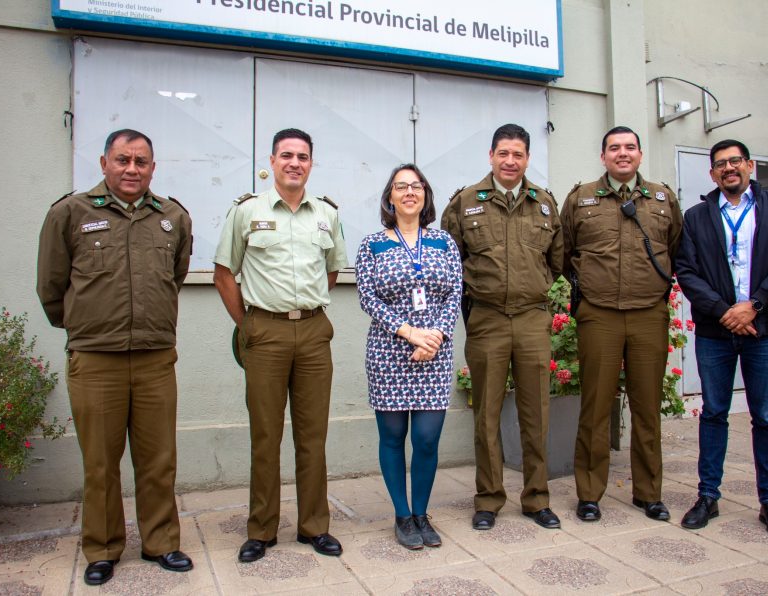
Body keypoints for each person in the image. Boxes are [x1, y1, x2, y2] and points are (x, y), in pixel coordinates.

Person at [37, 129, 193, 586]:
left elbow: (175, 276)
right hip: (95, 359)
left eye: (141, 162)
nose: (131, 169)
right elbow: (51, 286)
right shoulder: (70, 213)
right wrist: (87, 325)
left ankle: (161, 542)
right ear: (104, 162)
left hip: (154, 357)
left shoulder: (172, 218)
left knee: (158, 457)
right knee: (101, 462)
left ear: (152, 168)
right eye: (122, 160)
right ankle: (102, 548)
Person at [213, 128, 348, 561]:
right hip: (264, 332)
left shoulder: (326, 214)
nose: (294, 162)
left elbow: (331, 272)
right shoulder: (246, 212)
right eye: (286, 155)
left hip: (312, 332)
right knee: (265, 435)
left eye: (303, 156)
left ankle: (314, 526)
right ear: (271, 161)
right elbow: (223, 273)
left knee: (313, 436)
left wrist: (303, 309)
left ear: (311, 163)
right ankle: (261, 529)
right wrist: (249, 325)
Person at [676, 139, 768, 539]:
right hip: (717, 332)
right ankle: (708, 496)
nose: (729, 168)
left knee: (765, 416)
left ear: (749, 165)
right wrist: (724, 312)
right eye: (721, 164)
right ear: (712, 174)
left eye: (736, 161)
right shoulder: (696, 217)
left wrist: (755, 304)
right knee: (714, 412)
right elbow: (687, 270)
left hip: (764, 330)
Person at [441, 123, 563, 531]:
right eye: (503, 153)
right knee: (487, 415)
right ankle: (489, 498)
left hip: (531, 318)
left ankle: (537, 498)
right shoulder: (464, 203)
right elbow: (448, 263)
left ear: (527, 159)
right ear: (491, 156)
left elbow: (558, 261)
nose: (510, 161)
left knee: (537, 415)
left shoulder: (544, 203)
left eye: (518, 154)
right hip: (488, 319)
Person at [560, 126, 683, 523]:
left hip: (649, 313)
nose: (623, 154)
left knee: (647, 408)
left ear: (640, 155)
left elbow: (677, 251)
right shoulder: (580, 199)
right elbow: (563, 253)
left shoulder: (663, 199)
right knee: (595, 408)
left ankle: (648, 494)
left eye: (630, 147)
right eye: (615, 148)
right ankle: (590, 494)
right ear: (603, 156)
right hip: (599, 314)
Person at [355, 164, 462, 549]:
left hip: (434, 352)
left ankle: (421, 512)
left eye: (416, 186)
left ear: (425, 196)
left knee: (427, 438)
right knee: (393, 436)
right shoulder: (372, 244)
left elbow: (455, 293)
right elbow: (367, 296)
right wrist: (409, 332)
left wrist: (434, 336)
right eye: (401, 186)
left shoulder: (444, 243)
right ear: (390, 197)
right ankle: (402, 516)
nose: (409, 192)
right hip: (388, 352)